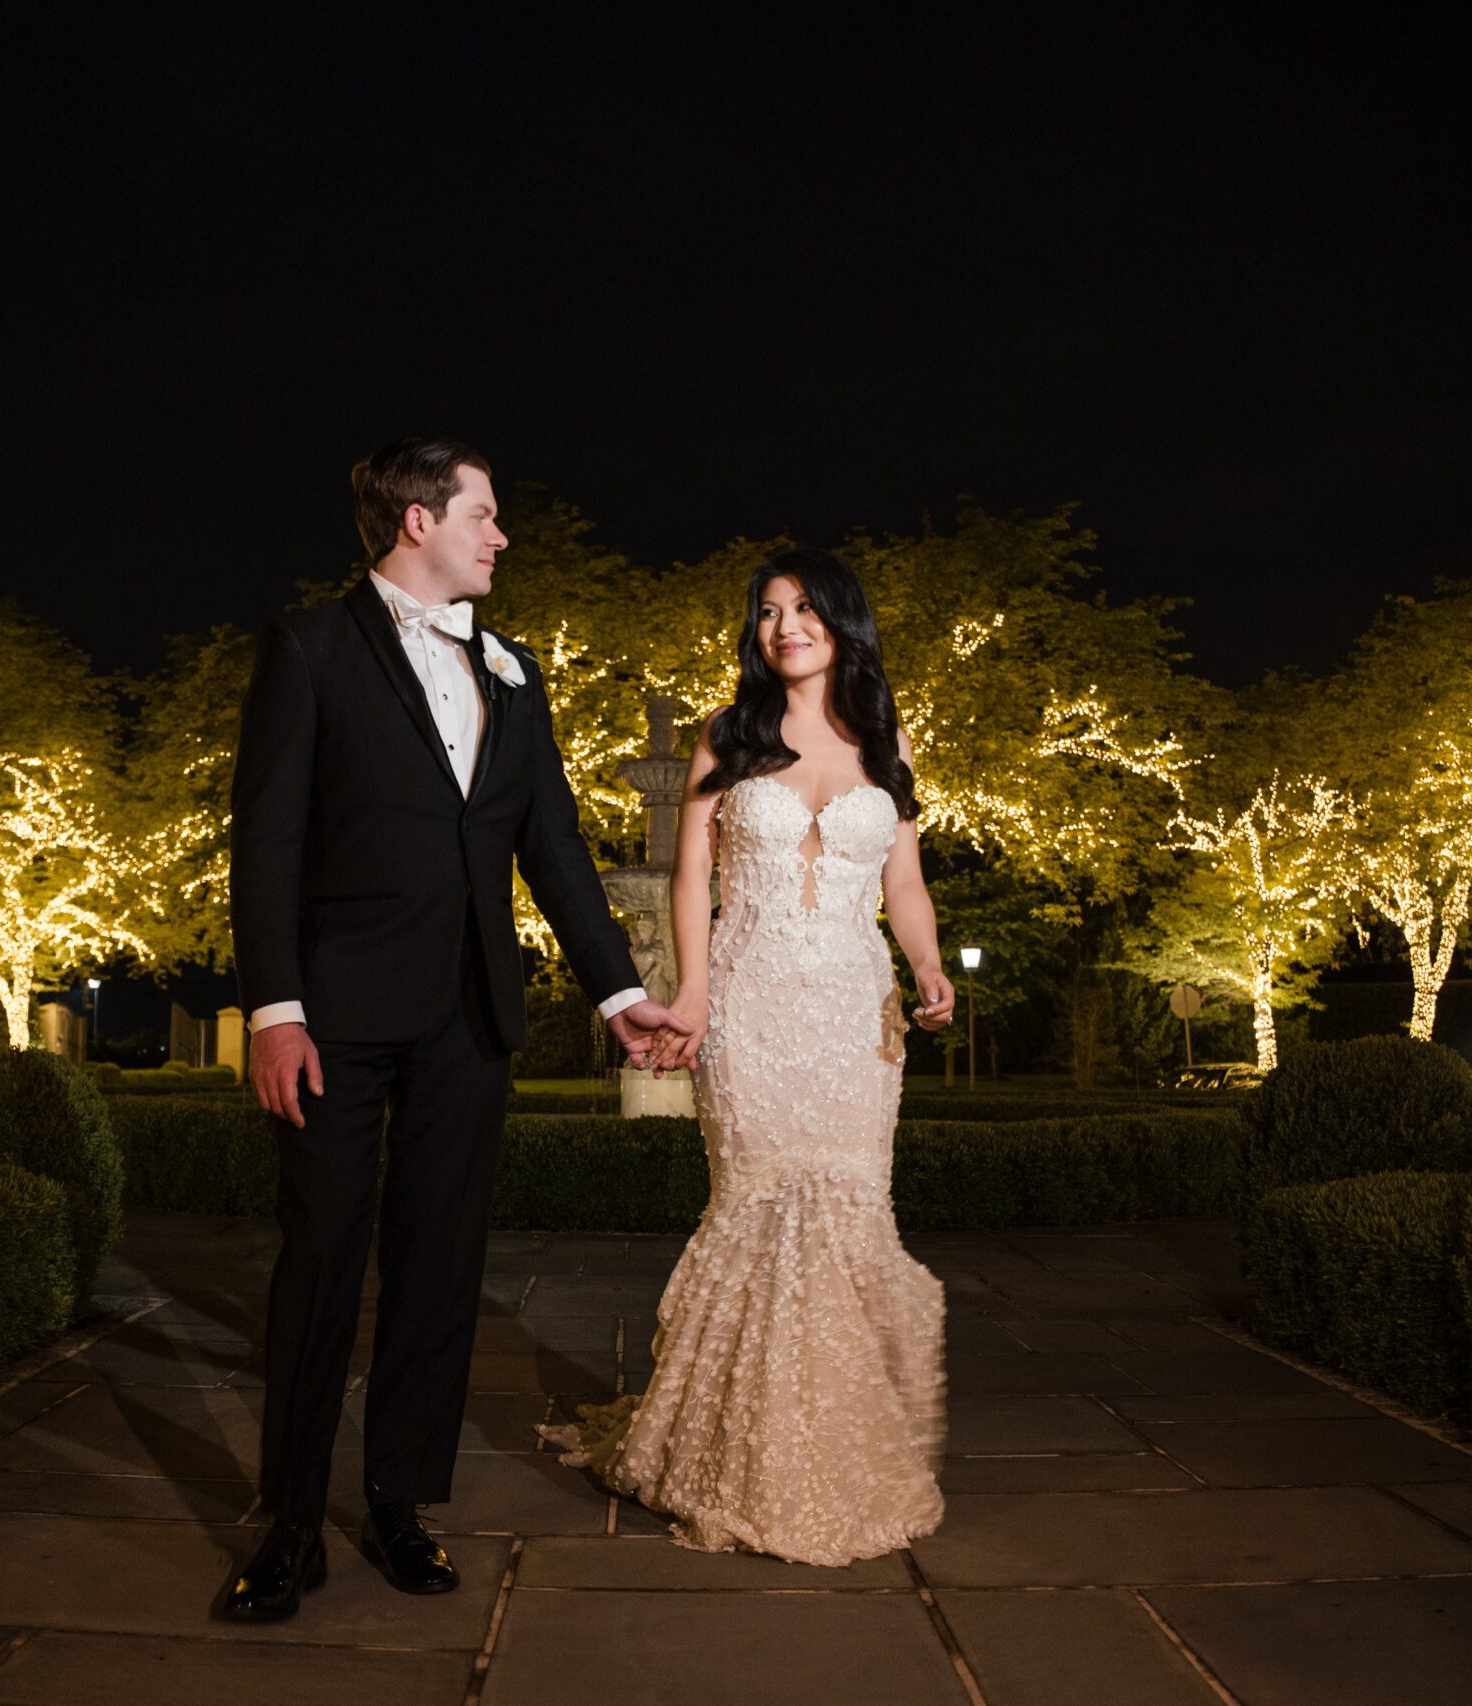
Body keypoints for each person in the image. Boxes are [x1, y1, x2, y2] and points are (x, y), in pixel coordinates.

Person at [223, 437, 684, 1620]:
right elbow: (266, 842)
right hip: (332, 1016)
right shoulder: (311, 648)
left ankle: (398, 1502)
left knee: (440, 1265)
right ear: (418, 519)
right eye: (485, 514)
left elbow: (557, 852)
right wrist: (273, 1010)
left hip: (469, 1016)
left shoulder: (515, 671)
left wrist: (619, 992)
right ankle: (284, 1522)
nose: (501, 534)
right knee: (322, 1253)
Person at [544, 545, 956, 1565]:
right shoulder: (725, 737)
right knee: (763, 1205)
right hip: (755, 1005)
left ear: (841, 620)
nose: (785, 625)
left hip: (857, 1017)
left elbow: (901, 879)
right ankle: (739, 1460)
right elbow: (690, 879)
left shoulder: (886, 738)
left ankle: (843, 1458)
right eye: (768, 611)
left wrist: (929, 964)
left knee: (850, 1211)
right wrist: (693, 990)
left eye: (804, 607)